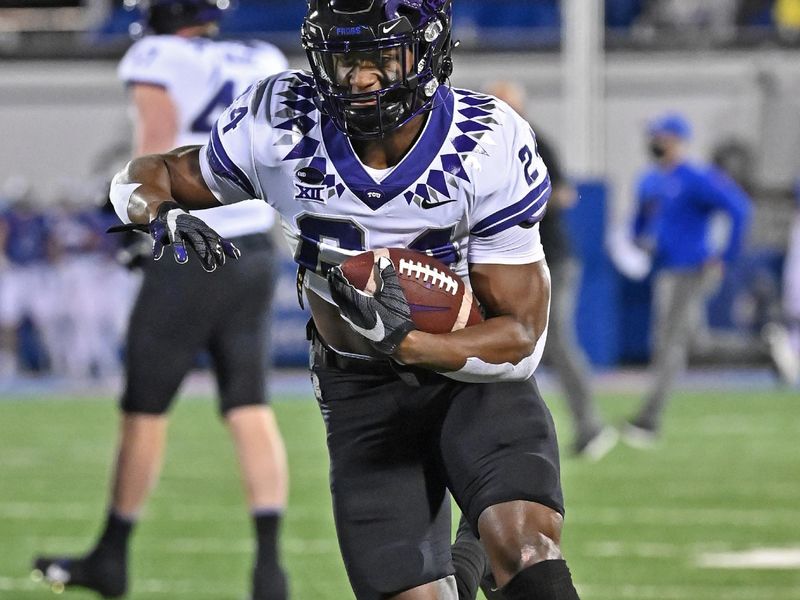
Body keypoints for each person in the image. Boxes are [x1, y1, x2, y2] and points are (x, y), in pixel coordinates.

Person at [104, 0, 582, 598]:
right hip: (358, 386)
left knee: (527, 553)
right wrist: (161, 213)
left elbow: (522, 340)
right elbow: (145, 175)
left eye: (381, 55)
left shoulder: (485, 141)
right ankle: (466, 561)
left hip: (472, 376)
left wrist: (414, 343)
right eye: (345, 57)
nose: (360, 77)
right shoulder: (279, 120)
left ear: (428, 51)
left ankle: (480, 553)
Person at [32, 2, 290, 598]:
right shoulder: (262, 57)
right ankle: (270, 569)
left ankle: (112, 556)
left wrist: (140, 223)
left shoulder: (157, 55)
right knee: (248, 404)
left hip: (188, 246)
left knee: (144, 406)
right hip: (253, 244)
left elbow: (153, 147)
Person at [485, 80, 617, 460]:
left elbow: (564, 193)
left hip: (550, 258)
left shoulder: (532, 141)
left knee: (553, 340)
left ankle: (589, 425)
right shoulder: (486, 146)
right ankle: (507, 434)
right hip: (510, 261)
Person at [623, 112, 752, 446]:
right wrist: (637, 241)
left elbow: (739, 209)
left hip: (692, 270)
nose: (654, 142)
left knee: (668, 342)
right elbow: (640, 220)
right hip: (666, 268)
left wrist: (726, 256)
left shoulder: (696, 177)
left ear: (676, 140)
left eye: (660, 136)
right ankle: (766, 348)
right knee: (695, 344)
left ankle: (648, 419)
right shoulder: (651, 179)